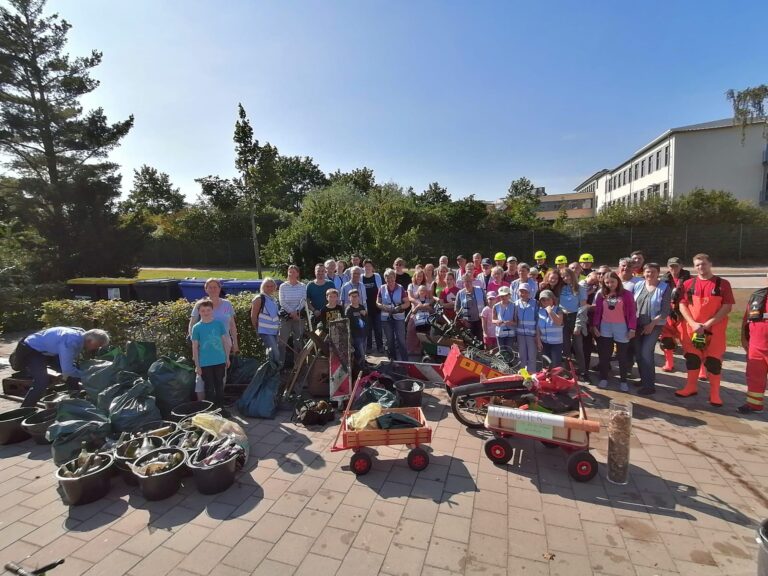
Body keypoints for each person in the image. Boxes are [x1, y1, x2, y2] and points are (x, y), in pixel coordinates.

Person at [675, 254, 734, 406]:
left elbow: (727, 307)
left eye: (704, 264)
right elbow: (682, 305)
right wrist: (693, 323)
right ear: (694, 266)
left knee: (713, 362)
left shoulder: (723, 284)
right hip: (692, 330)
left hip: (715, 331)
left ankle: (714, 394)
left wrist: (707, 324)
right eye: (697, 265)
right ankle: (691, 387)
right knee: (692, 359)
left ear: (710, 264)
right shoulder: (688, 284)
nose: (701, 267)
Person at [13, 327, 110, 408]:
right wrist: (87, 376)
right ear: (89, 341)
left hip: (49, 350)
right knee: (42, 381)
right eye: (96, 346)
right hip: (32, 349)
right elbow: (67, 370)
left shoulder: (81, 336)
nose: (96, 349)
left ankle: (75, 401)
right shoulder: (70, 341)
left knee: (74, 373)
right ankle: (25, 409)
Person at [593, 271, 637, 391]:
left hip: (621, 326)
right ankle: (603, 378)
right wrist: (595, 326)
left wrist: (632, 328)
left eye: (612, 281)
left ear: (618, 281)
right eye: (607, 282)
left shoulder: (626, 294)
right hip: (605, 326)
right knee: (604, 354)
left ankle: (623, 381)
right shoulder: (601, 294)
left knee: (622, 355)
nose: (610, 284)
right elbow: (597, 311)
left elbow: (632, 313)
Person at [632, 263, 671, 395]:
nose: (650, 274)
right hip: (637, 324)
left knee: (646, 353)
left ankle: (649, 385)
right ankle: (644, 379)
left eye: (653, 272)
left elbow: (665, 311)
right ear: (643, 273)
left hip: (654, 325)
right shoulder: (638, 285)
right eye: (647, 272)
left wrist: (652, 324)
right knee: (638, 354)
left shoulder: (664, 287)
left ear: (658, 272)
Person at [191, 299, 231, 416]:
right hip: (205, 363)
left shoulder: (218, 324)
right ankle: (210, 411)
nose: (206, 312)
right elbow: (194, 347)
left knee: (219, 385)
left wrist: (227, 358)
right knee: (209, 387)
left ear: (212, 310)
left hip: (219, 360)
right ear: (199, 312)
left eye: (208, 310)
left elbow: (225, 342)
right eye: (203, 310)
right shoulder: (197, 328)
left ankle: (221, 409)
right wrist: (197, 365)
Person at [739, 273, 768, 413]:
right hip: (756, 346)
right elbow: (746, 319)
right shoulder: (758, 295)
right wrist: (744, 339)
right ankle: (754, 405)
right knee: (754, 377)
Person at [188, 278, 238, 355]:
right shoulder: (200, 305)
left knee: (225, 365)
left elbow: (232, 325)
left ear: (219, 288)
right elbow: (192, 324)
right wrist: (194, 342)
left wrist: (235, 343)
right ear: (206, 289)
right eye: (210, 287)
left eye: (215, 287)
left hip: (225, 343)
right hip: (205, 344)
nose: (213, 289)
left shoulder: (227, 305)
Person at [659, 257, 692, 372]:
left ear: (681, 266)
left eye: (676, 266)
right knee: (666, 339)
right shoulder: (663, 280)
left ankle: (700, 368)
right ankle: (669, 363)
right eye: (671, 266)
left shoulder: (690, 281)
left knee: (688, 341)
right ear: (668, 267)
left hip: (684, 314)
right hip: (668, 314)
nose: (673, 268)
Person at [559, 268, 587, 377]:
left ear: (572, 275)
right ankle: (567, 372)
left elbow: (583, 307)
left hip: (576, 317)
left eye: (567, 275)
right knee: (565, 347)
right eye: (563, 277)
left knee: (578, 347)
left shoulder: (580, 288)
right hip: (564, 318)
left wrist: (578, 325)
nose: (565, 278)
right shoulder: (561, 288)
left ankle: (583, 371)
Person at [377, 268, 409, 361]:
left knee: (401, 340)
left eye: (392, 278)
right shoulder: (382, 288)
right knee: (389, 340)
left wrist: (399, 307)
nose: (390, 280)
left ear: (395, 278)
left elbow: (407, 303)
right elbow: (377, 303)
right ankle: (393, 360)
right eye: (387, 278)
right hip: (386, 318)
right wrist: (383, 307)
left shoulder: (400, 288)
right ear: (385, 279)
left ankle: (405, 361)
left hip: (398, 317)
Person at [278, 265, 307, 367]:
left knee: (298, 342)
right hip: (286, 317)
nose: (291, 274)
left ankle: (297, 365)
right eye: (289, 272)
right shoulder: (283, 286)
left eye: (293, 272)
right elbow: (282, 302)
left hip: (299, 317)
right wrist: (292, 312)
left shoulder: (303, 286)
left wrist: (296, 312)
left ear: (298, 274)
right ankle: (280, 364)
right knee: (282, 341)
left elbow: (303, 301)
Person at [250, 278, 281, 367]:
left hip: (274, 331)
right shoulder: (259, 299)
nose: (270, 288)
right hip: (265, 331)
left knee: (271, 354)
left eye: (272, 286)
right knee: (275, 353)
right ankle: (275, 369)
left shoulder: (273, 299)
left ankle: (271, 372)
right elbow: (253, 316)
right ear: (263, 287)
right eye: (267, 286)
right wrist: (257, 330)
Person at [512, 284, 538, 373]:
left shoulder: (535, 303)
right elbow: (514, 319)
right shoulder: (515, 304)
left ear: (529, 293)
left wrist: (537, 335)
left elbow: (538, 319)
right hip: (520, 334)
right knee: (522, 355)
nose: (523, 293)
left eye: (525, 291)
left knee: (531, 356)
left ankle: (532, 374)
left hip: (531, 334)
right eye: (521, 291)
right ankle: (523, 374)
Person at [536, 290, 564, 367]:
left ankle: (556, 379)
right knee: (546, 365)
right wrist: (538, 341)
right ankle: (547, 379)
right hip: (544, 343)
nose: (546, 302)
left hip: (556, 344)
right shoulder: (539, 311)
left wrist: (550, 311)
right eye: (543, 300)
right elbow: (537, 328)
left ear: (552, 299)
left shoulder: (558, 309)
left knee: (555, 365)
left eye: (548, 299)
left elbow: (558, 322)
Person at [362, 260, 384, 353]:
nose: (367, 268)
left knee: (378, 329)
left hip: (377, 307)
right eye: (366, 266)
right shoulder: (360, 278)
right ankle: (369, 347)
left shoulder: (377, 276)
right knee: (368, 329)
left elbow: (382, 290)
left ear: (372, 267)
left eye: (369, 266)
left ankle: (380, 346)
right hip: (366, 308)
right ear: (363, 267)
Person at [456, 272, 486, 342]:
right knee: (470, 341)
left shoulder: (480, 290)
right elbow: (457, 308)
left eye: (469, 281)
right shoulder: (460, 293)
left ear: (472, 281)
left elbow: (486, 304)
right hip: (467, 323)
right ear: (463, 282)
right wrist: (463, 320)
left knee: (480, 340)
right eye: (466, 281)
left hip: (480, 321)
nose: (468, 283)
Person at [406, 268, 428, 355]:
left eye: (421, 276)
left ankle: (421, 349)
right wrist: (418, 303)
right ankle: (411, 349)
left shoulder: (425, 285)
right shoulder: (411, 286)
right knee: (411, 330)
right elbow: (410, 297)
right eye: (418, 276)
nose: (419, 278)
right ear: (415, 276)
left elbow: (429, 297)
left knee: (423, 330)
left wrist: (425, 305)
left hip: (424, 311)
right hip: (414, 310)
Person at [345, 289, 368, 369]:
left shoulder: (362, 307)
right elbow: (347, 322)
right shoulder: (349, 309)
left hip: (364, 333)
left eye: (356, 296)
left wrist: (365, 314)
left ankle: (362, 367)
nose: (354, 298)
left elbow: (366, 319)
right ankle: (360, 369)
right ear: (349, 298)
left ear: (359, 297)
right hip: (355, 335)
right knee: (360, 353)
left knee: (363, 352)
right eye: (352, 296)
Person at [493, 287, 516, 351]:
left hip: (510, 333)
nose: (503, 297)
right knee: (502, 352)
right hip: (500, 334)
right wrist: (497, 321)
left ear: (509, 295)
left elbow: (516, 321)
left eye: (505, 295)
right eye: (501, 296)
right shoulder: (496, 306)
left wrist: (510, 323)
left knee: (509, 351)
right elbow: (493, 320)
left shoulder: (514, 305)